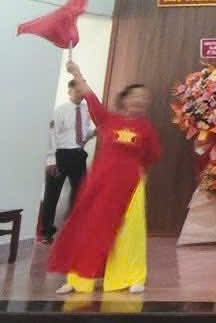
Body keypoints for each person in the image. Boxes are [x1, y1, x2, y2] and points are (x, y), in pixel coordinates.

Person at [49, 61, 161, 295]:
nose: (140, 100)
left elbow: (152, 155)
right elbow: (90, 96)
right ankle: (78, 278)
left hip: (130, 184)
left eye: (144, 98)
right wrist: (76, 72)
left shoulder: (146, 128)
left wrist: (140, 172)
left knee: (129, 232)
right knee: (89, 227)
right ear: (124, 99)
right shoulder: (107, 119)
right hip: (101, 182)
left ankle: (131, 276)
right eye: (135, 96)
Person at [40, 79, 96, 244]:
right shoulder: (60, 110)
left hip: (78, 155)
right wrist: (51, 160)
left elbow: (82, 133)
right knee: (52, 194)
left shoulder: (86, 110)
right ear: (69, 91)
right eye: (77, 90)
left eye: (82, 91)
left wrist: (93, 133)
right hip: (60, 155)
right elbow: (52, 134)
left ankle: (74, 230)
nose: (80, 94)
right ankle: (46, 233)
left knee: (80, 193)